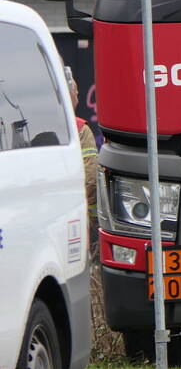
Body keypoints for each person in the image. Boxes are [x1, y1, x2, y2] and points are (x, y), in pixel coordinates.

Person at [66, 70, 98, 242]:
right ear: (68, 95)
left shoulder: (36, 132)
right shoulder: (80, 130)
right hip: (77, 221)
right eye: (76, 94)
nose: (78, 98)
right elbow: (91, 178)